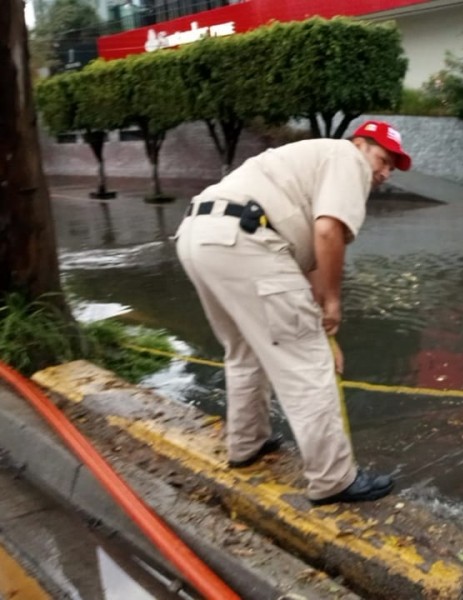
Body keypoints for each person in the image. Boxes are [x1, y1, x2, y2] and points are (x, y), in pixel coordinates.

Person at [174, 120, 412, 506]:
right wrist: (333, 304)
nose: (384, 173)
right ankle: (334, 479)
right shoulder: (347, 159)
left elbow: (311, 261)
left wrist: (325, 329)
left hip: (199, 236)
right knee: (306, 364)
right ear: (360, 144)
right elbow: (327, 232)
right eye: (383, 160)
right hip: (246, 240)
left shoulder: (310, 162)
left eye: (392, 168)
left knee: (244, 351)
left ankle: (246, 443)